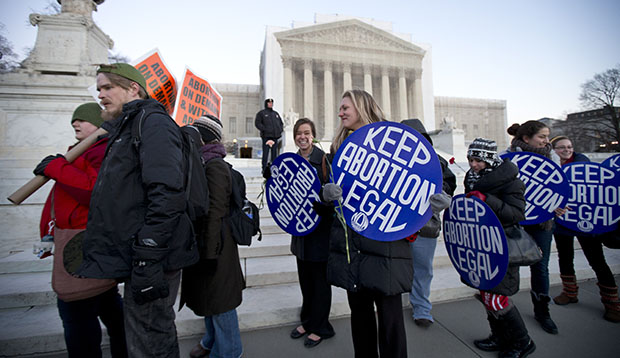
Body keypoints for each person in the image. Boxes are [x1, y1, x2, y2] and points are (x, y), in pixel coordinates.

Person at [76, 63, 199, 357]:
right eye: (99, 89)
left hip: (153, 257)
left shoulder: (152, 123)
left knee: (149, 341)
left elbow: (167, 193)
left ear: (133, 88)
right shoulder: (128, 126)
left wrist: (147, 253)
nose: (101, 95)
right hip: (140, 254)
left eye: (108, 87)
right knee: (147, 336)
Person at [33, 102, 127, 358]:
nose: (76, 122)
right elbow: (61, 199)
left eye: (83, 119)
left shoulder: (103, 150)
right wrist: (47, 236)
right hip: (77, 241)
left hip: (84, 244)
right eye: (74, 119)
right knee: (109, 310)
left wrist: (56, 168)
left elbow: (94, 191)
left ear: (99, 123)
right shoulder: (82, 152)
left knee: (76, 314)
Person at [327, 89, 412, 358]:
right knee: (360, 319)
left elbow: (425, 176)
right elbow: (332, 198)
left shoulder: (393, 144)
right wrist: (325, 195)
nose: (340, 113)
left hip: (385, 247)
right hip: (353, 248)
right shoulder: (337, 149)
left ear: (362, 108)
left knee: (391, 322)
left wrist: (432, 203)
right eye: (340, 108)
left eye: (345, 108)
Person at [180, 115, 246, 358]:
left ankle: (230, 352)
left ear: (204, 137)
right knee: (209, 298)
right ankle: (210, 341)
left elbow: (215, 212)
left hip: (217, 246)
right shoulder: (200, 163)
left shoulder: (214, 166)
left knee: (221, 302)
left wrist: (208, 251)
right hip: (207, 242)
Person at [464, 138, 536, 358]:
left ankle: (522, 342)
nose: (473, 164)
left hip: (503, 245)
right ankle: (499, 337)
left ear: (489, 159)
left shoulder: (511, 182)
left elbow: (516, 214)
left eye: (478, 160)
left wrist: (487, 200)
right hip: (481, 243)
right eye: (470, 159)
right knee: (487, 295)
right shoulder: (472, 177)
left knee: (498, 298)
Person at [550, 136, 620, 322]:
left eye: (570, 147)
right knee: (565, 258)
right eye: (562, 147)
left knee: (597, 260)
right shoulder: (550, 168)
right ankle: (570, 292)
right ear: (553, 150)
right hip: (563, 223)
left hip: (586, 222)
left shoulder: (584, 164)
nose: (567, 150)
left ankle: (612, 303)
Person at [400, 119, 456, 328]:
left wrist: (445, 196)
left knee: (423, 268)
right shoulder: (392, 160)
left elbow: (449, 184)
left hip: (425, 226)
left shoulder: (438, 162)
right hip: (398, 225)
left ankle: (421, 307)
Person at [505, 120, 559, 335]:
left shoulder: (552, 158)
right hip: (514, 220)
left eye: (547, 137)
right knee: (509, 265)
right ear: (526, 138)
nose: (547, 141)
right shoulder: (507, 157)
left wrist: (559, 204)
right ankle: (503, 310)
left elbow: (560, 188)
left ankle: (542, 311)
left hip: (542, 222)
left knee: (541, 267)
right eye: (542, 137)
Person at [286, 118, 336, 348]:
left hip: (319, 233)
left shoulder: (324, 160)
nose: (302, 137)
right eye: (299, 133)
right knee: (305, 281)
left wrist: (326, 207)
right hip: (300, 232)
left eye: (306, 132)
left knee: (320, 283)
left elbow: (335, 194)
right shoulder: (292, 161)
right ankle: (307, 321)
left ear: (313, 135)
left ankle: (321, 326)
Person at [255, 98, 283, 172]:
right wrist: (265, 129)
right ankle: (264, 169)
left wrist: (280, 130)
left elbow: (281, 123)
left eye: (271, 103)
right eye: (269, 103)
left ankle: (274, 168)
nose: (270, 104)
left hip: (275, 137)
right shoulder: (262, 113)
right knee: (266, 154)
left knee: (274, 154)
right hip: (266, 137)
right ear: (266, 104)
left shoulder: (275, 114)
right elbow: (257, 123)